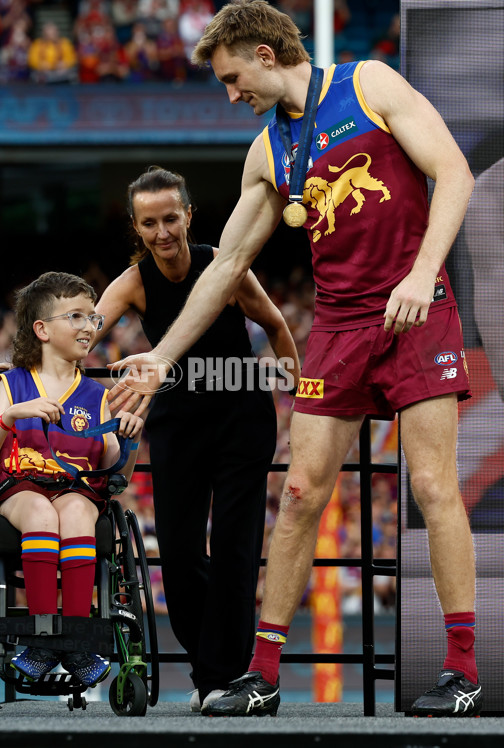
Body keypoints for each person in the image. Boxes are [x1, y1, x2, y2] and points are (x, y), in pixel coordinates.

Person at [107, 0, 479, 718]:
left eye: (232, 76)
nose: (231, 93)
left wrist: (419, 272)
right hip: (338, 326)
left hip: (417, 306)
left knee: (432, 487)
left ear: (266, 55)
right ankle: (264, 674)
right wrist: (161, 357)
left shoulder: (370, 85)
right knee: (302, 494)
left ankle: (462, 670)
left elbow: (455, 172)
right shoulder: (267, 151)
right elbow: (225, 268)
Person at [92, 166, 300, 712]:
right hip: (179, 421)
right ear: (136, 229)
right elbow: (83, 330)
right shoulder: (134, 281)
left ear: (188, 215)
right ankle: (219, 670)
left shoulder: (222, 266)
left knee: (235, 551)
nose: (162, 232)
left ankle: (220, 681)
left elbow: (276, 326)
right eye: (148, 223)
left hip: (242, 416)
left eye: (170, 218)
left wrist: (300, 395)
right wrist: (25, 363)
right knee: (180, 559)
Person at [0, 271, 143, 687]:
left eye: (93, 319)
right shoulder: (12, 383)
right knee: (40, 513)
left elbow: (117, 471)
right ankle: (43, 639)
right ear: (42, 329)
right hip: (20, 486)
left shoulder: (98, 394)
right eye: (77, 317)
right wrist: (9, 417)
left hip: (76, 487)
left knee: (79, 516)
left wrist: (127, 437)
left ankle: (78, 640)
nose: (90, 327)